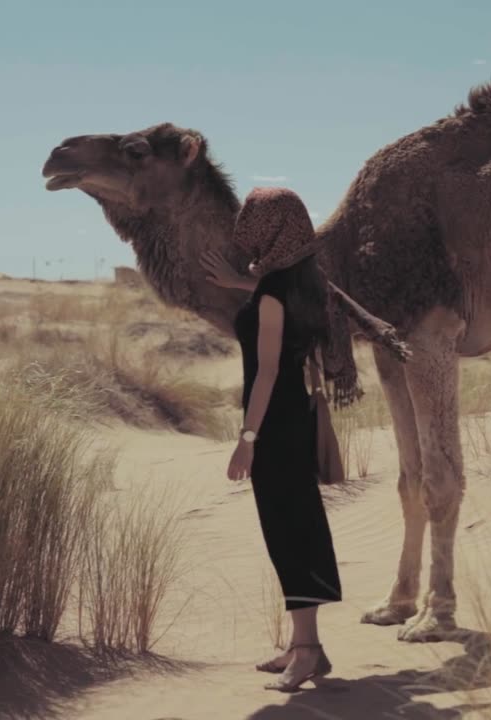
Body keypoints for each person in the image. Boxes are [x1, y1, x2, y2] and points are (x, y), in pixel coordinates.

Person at [201, 186, 408, 693]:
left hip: (275, 423)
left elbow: (266, 372)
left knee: (290, 533)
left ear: (272, 233)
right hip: (289, 417)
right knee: (294, 529)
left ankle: (309, 651)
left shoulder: (274, 293)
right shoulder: (299, 282)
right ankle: (303, 645)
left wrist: (247, 438)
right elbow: (277, 315)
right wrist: (242, 282)